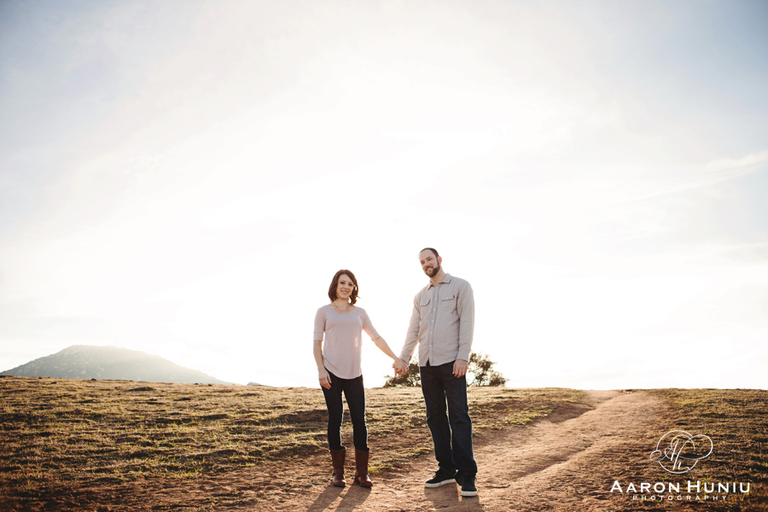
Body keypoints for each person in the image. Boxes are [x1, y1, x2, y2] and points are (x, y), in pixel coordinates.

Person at [313, 269, 408, 488]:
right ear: (335, 286)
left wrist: (396, 358)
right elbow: (316, 344)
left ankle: (361, 473)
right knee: (335, 419)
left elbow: (376, 337)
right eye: (342, 283)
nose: (346, 287)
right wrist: (321, 370)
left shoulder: (360, 313)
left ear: (354, 288)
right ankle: (338, 473)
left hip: (354, 373)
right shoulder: (323, 312)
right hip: (331, 372)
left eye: (350, 283)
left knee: (360, 421)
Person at [395, 248, 478, 497]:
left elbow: (467, 322)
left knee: (459, 417)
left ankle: (466, 473)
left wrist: (463, 357)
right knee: (435, 418)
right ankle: (446, 469)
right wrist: (404, 357)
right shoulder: (420, 296)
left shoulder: (461, 287)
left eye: (429, 259)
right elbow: (413, 329)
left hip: (452, 363)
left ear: (439, 260)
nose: (426, 264)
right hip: (427, 365)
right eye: (422, 262)